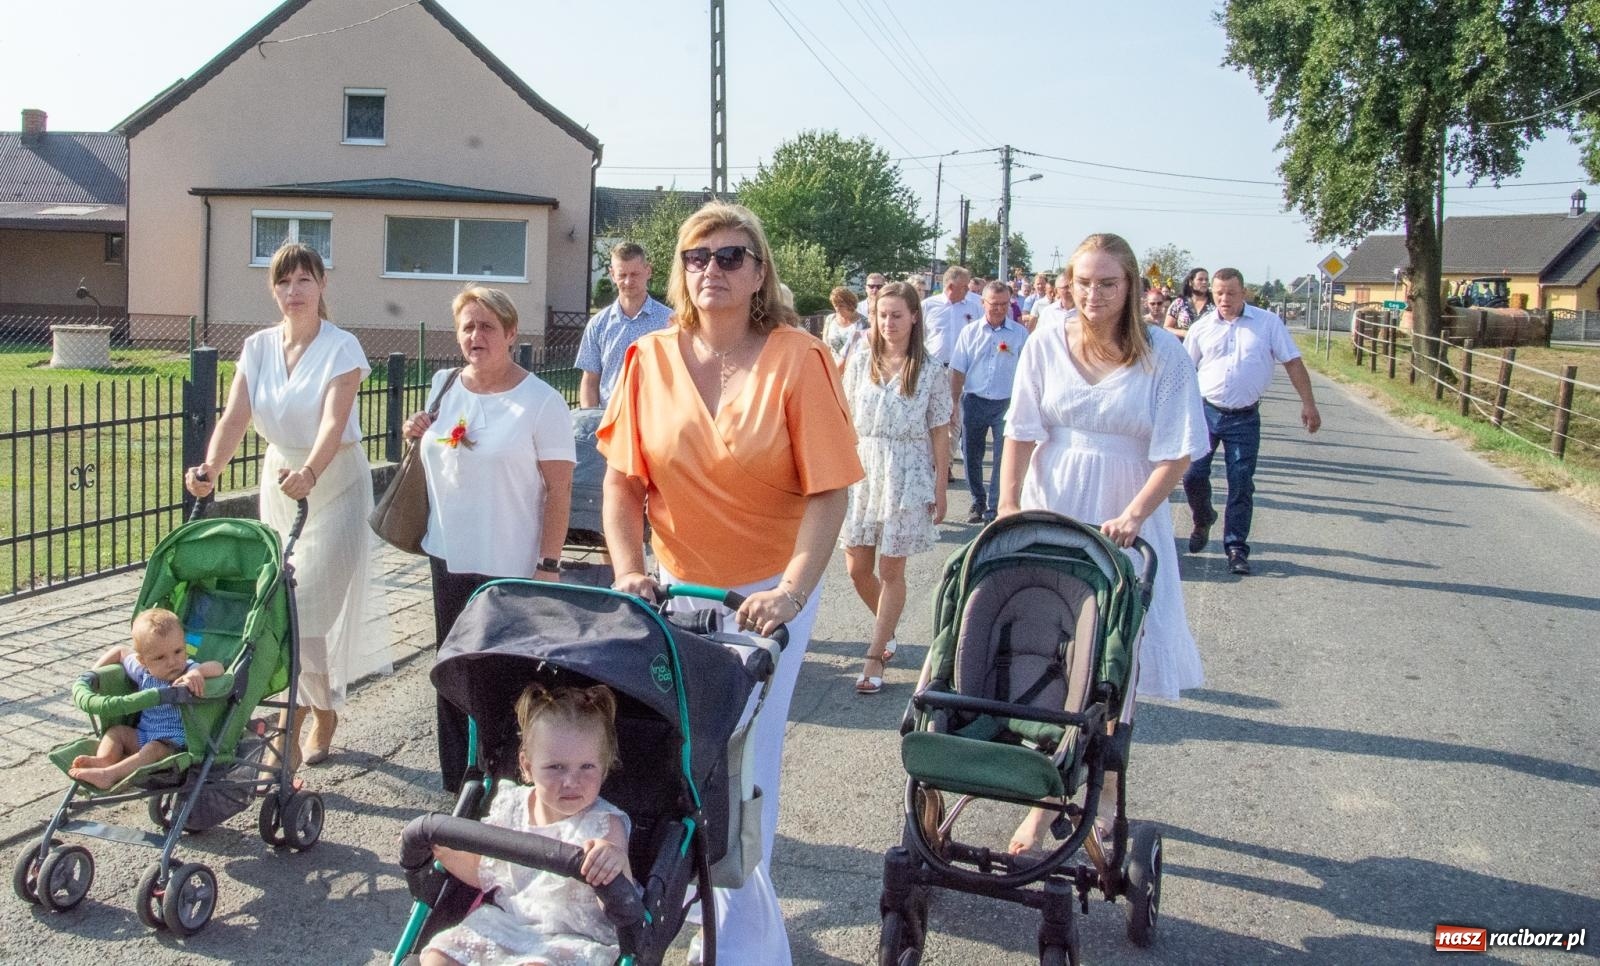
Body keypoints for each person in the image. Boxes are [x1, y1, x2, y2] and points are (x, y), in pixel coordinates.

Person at [597, 201, 862, 965]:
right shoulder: (648, 359)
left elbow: (828, 491)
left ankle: (741, 945)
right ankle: (679, 906)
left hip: (767, 592)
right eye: (696, 256)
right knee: (673, 755)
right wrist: (629, 569)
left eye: (731, 256)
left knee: (742, 766)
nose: (712, 270)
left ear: (759, 272)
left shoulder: (796, 357)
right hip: (676, 588)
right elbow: (622, 484)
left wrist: (793, 592)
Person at [996, 232, 1208, 853]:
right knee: (1050, 649)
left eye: (1107, 283)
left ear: (1130, 286)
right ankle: (1043, 795)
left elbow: (1178, 452)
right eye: (1083, 281)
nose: (1093, 294)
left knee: (1115, 658)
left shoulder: (1163, 355)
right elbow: (1020, 430)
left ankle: (1107, 787)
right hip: (1053, 503)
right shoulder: (1044, 341)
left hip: (1125, 510)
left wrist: (1137, 513)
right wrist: (1009, 505)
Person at [185, 242, 390, 769]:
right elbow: (234, 418)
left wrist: (312, 473)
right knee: (289, 608)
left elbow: (332, 422)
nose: (294, 291)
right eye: (284, 282)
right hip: (281, 486)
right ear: (272, 289)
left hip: (336, 482)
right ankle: (321, 708)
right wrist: (212, 469)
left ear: (322, 285)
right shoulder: (256, 347)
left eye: (304, 280)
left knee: (307, 606)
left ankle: (291, 723)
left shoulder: (342, 348)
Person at [402, 286, 575, 793]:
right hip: (449, 553)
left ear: (511, 334)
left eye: (487, 327)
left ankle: (508, 782)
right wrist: (412, 430)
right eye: (468, 327)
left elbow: (558, 489)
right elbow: (433, 458)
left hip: (511, 562)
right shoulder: (443, 384)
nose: (476, 336)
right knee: (453, 672)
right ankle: (459, 782)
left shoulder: (539, 401)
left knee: (508, 678)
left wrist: (549, 562)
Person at [421, 683, 631, 966]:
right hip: (508, 922)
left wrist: (613, 861)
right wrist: (443, 850)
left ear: (604, 768)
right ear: (527, 767)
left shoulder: (604, 825)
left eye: (587, 767)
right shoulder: (512, 805)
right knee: (439, 954)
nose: (571, 781)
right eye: (556, 767)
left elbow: (621, 903)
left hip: (573, 937)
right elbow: (486, 873)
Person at [840, 281, 953, 695]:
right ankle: (886, 630)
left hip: (907, 473)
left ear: (914, 317)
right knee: (856, 568)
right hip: (864, 470)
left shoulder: (930, 369)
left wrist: (940, 487)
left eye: (897, 315)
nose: (888, 323)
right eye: (882, 315)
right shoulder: (859, 361)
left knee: (891, 570)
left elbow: (940, 430)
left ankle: (874, 656)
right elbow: (843, 418)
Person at [1181, 268, 1322, 575]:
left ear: (1243, 293)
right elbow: (1182, 373)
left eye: (1231, 293)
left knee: (1241, 483)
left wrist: (1308, 403)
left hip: (1244, 417)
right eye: (1218, 293)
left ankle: (1235, 548)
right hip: (1205, 412)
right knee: (1192, 474)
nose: (1224, 299)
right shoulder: (1201, 327)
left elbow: (1292, 362)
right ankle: (1203, 517)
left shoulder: (1267, 324)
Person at [67, 609, 225, 789]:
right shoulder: (143, 672)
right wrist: (94, 675)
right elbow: (120, 651)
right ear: (143, 661)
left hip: (174, 743)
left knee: (153, 749)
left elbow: (218, 668)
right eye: (160, 657)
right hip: (143, 735)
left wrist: (199, 672)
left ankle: (110, 774)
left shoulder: (188, 671)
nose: (172, 661)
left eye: (178, 651)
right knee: (117, 732)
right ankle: (105, 760)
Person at [951, 281, 1030, 523]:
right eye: (993, 304)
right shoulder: (970, 332)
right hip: (974, 400)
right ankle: (977, 500)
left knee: (1001, 457)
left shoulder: (1019, 334)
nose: (998, 309)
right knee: (971, 453)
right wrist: (953, 403)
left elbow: (1027, 371)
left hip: (1005, 404)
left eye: (1004, 304)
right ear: (983, 303)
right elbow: (957, 370)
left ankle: (995, 506)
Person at [577, 242, 672, 409]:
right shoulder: (598, 325)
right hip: (610, 421)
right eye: (622, 275)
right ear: (612, 275)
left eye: (635, 274)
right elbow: (590, 382)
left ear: (648, 271)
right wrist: (590, 422)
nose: (628, 281)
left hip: (655, 421)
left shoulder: (669, 322)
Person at [922, 266, 983, 367]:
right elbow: (918, 336)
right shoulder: (927, 306)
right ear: (951, 287)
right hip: (933, 369)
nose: (968, 289)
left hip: (963, 369)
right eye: (964, 286)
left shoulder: (975, 307)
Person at [823, 285, 870, 372]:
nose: (837, 308)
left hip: (853, 369)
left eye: (841, 305)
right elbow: (825, 346)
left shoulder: (864, 323)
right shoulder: (830, 319)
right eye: (835, 305)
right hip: (831, 368)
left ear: (850, 304)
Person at [1165, 267, 1214, 340]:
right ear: (1191, 282)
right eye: (1200, 279)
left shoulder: (1214, 302)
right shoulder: (1179, 303)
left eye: (1206, 279)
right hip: (1183, 347)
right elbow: (1166, 328)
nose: (1204, 282)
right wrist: (1184, 333)